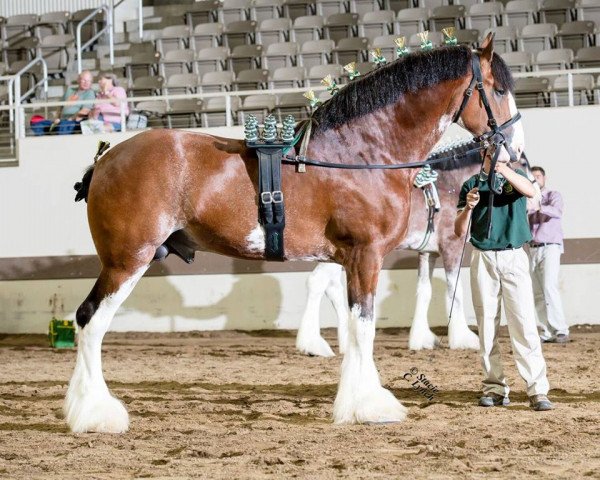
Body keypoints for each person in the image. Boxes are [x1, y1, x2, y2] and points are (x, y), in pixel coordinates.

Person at [454, 154, 553, 411]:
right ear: (482, 157)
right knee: (487, 323)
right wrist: (468, 208)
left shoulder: (518, 178)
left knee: (523, 323)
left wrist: (504, 169)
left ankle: (537, 389)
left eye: (499, 151)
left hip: (514, 255)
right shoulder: (471, 184)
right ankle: (494, 387)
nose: (494, 155)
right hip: (482, 256)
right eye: (490, 152)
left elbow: (531, 191)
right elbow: (458, 230)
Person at [528, 166, 569, 344]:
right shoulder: (527, 199)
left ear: (544, 178)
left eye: (538, 176)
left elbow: (557, 212)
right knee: (537, 292)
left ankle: (560, 329)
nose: (536, 179)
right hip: (532, 247)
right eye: (533, 177)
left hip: (550, 246)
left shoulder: (553, 195)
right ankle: (546, 330)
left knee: (549, 287)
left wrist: (538, 206)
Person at [31, 70, 95, 135]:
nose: (86, 83)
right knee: (35, 122)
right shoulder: (70, 90)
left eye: (89, 81)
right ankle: (53, 131)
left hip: (74, 122)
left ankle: (54, 132)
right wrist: (57, 119)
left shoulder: (90, 93)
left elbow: (85, 111)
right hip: (61, 121)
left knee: (63, 126)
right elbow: (60, 106)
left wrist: (69, 119)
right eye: (84, 80)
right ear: (78, 80)